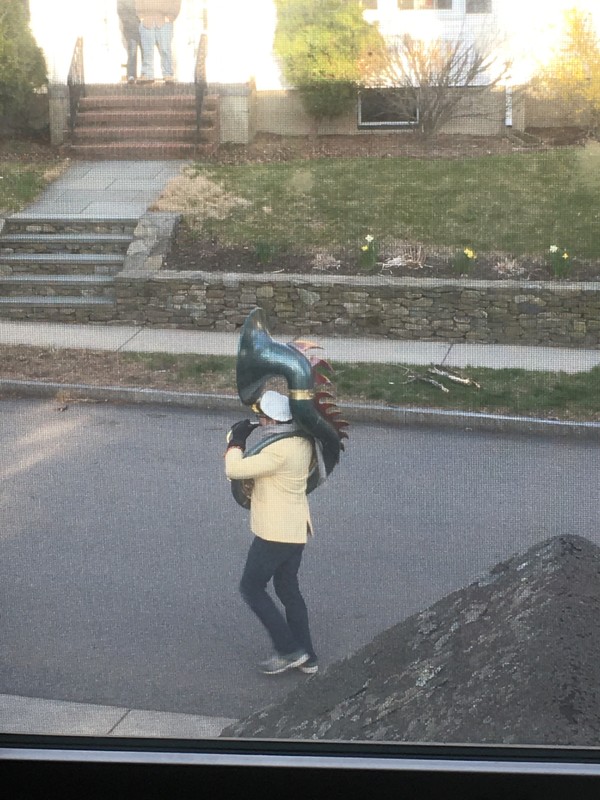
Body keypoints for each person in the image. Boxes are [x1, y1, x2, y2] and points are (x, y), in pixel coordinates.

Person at [224, 390, 319, 676]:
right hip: (295, 528)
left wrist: (236, 440)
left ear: (273, 421)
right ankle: (308, 657)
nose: (260, 422)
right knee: (288, 590)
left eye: (262, 418)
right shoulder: (301, 440)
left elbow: (234, 470)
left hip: (275, 533)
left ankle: (290, 650)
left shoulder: (279, 450)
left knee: (251, 588)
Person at [134, 0, 181, 83]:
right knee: (147, 50)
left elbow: (176, 2)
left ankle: (168, 74)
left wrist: (171, 16)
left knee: (165, 49)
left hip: (165, 21)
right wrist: (141, 16)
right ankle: (148, 74)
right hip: (147, 20)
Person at [117, 0, 141, 84]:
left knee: (146, 53)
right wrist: (131, 22)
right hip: (131, 29)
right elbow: (121, 11)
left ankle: (146, 75)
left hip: (145, 28)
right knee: (132, 52)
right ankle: (131, 75)